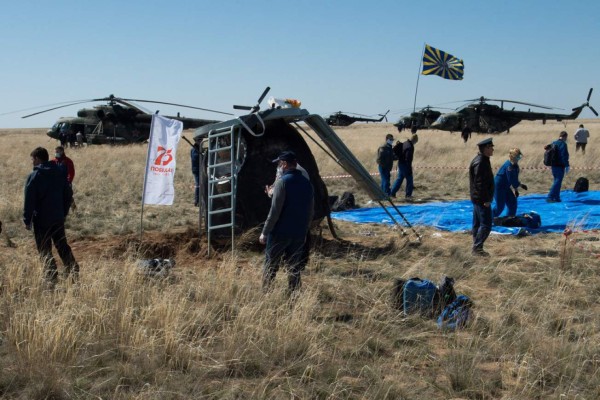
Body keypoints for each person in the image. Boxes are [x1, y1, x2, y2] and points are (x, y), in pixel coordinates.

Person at [24, 147, 79, 285]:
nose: (32, 163)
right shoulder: (60, 172)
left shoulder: (34, 176)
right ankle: (73, 270)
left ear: (37, 159)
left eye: (32, 160)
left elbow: (29, 200)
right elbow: (68, 194)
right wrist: (63, 211)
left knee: (44, 249)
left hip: (42, 220)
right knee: (62, 245)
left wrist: (27, 219)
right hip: (57, 218)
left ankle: (51, 277)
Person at [259, 151, 314, 292]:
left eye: (279, 164)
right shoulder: (307, 183)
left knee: (270, 266)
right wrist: (305, 229)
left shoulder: (282, 183)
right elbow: (310, 210)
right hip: (299, 233)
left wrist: (265, 232)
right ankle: (293, 296)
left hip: (280, 233)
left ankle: (265, 294)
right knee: (294, 268)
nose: (278, 167)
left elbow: (275, 211)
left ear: (283, 164)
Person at [469, 138, 495, 256]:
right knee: (486, 225)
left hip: (478, 198)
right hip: (481, 199)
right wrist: (486, 200)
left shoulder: (483, 160)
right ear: (486, 149)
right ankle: (477, 248)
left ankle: (477, 247)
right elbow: (480, 184)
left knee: (477, 224)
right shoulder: (481, 162)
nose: (493, 149)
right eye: (491, 147)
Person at [493, 148, 528, 217]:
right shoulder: (509, 166)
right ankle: (488, 220)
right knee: (500, 206)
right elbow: (511, 180)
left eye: (519, 156)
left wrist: (516, 190)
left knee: (512, 202)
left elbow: (515, 178)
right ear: (512, 156)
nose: (519, 158)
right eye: (517, 157)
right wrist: (520, 185)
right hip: (498, 187)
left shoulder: (515, 166)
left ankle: (510, 218)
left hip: (505, 186)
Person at [390, 133, 418, 200]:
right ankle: (408, 195)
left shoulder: (405, 143)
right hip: (405, 165)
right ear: (415, 140)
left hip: (400, 163)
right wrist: (409, 168)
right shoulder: (410, 147)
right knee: (409, 180)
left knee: (399, 179)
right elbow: (408, 158)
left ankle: (392, 193)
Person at [547, 131, 570, 203]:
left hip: (553, 165)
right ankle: (550, 197)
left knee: (557, 181)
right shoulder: (563, 144)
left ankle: (557, 197)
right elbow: (564, 156)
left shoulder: (554, 143)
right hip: (560, 166)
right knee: (557, 181)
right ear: (565, 136)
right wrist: (567, 165)